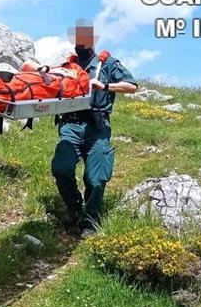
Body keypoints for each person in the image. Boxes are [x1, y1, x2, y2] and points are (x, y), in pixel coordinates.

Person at [50, 25, 138, 233]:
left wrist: (106, 86)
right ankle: (74, 207)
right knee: (61, 168)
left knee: (96, 178)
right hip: (70, 124)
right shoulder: (67, 66)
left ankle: (90, 219)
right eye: (77, 42)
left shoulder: (107, 64)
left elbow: (132, 86)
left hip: (97, 125)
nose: (81, 46)